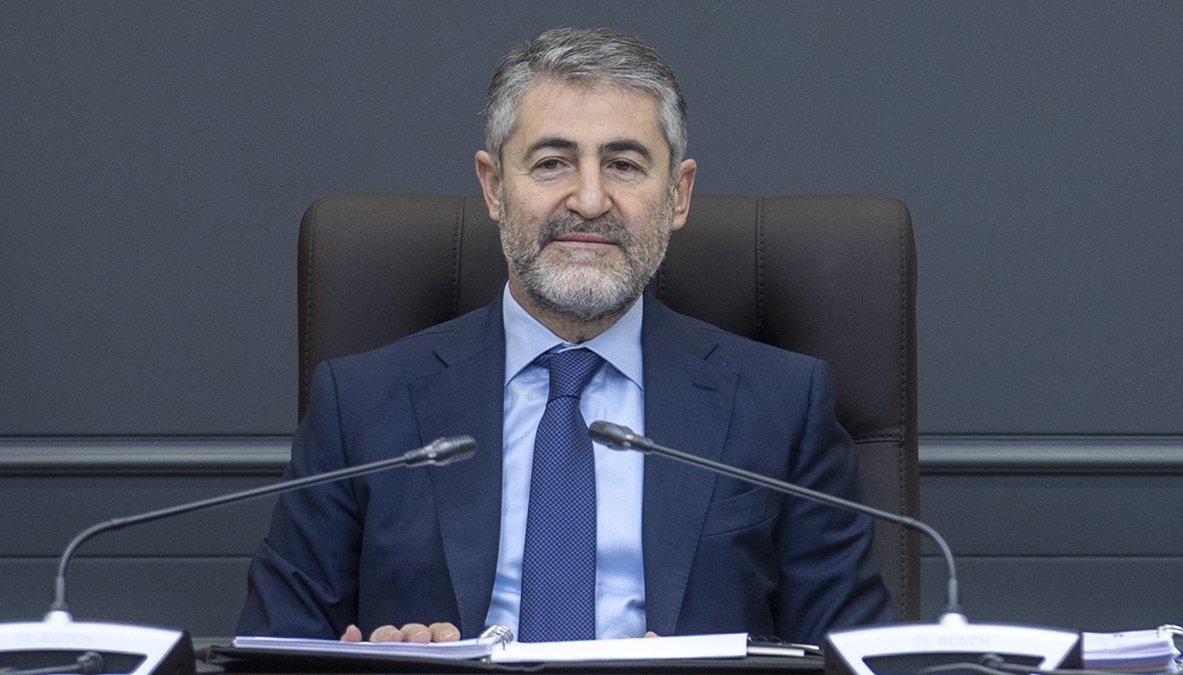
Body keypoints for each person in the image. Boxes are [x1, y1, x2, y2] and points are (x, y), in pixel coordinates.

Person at [237, 26, 892, 646]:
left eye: (625, 165)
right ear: (495, 187)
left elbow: (852, 655)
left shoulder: (781, 406)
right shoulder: (360, 405)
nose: (589, 199)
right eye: (552, 163)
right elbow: (274, 647)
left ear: (678, 194)